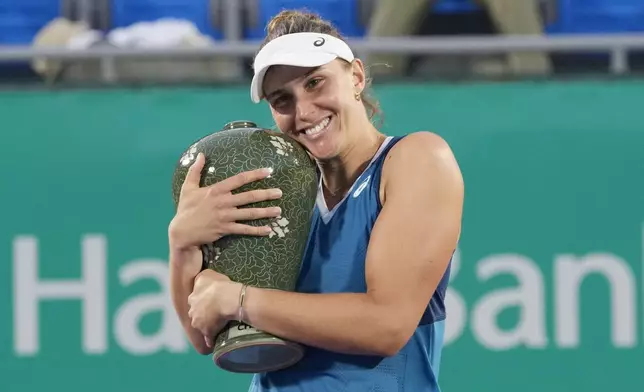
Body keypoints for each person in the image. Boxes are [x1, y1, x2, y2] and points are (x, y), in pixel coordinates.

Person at [168, 10, 464, 392]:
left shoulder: (417, 159)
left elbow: (386, 325)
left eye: (315, 83)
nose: (304, 111)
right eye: (282, 99)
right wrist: (182, 243)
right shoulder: (275, 189)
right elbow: (205, 337)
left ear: (356, 77)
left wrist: (239, 299)